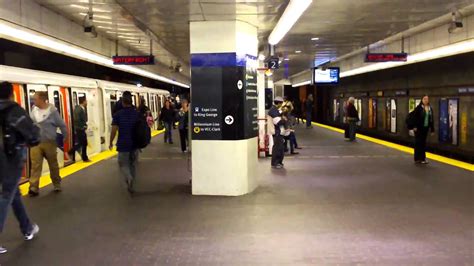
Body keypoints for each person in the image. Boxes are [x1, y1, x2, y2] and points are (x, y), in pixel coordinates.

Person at [0, 82, 41, 254]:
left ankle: (27, 228)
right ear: (12, 94)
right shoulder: (14, 111)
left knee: (13, 192)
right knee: (7, 194)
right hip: (10, 158)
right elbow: (33, 136)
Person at [29, 91, 67, 196]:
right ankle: (33, 187)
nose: (33, 101)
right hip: (36, 142)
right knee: (35, 165)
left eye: (35, 99)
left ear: (42, 99)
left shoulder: (52, 111)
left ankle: (56, 183)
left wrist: (65, 136)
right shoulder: (33, 110)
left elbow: (62, 124)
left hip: (49, 142)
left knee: (53, 164)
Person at [109, 95, 139, 194]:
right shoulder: (136, 114)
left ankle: (128, 177)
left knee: (123, 163)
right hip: (134, 143)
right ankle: (132, 184)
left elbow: (114, 130)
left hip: (123, 144)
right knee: (132, 164)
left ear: (123, 103)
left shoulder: (118, 115)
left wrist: (110, 142)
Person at [412, 95, 434, 164]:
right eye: (424, 99)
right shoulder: (418, 108)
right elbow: (414, 117)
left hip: (425, 128)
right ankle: (417, 158)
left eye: (427, 99)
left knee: (423, 143)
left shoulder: (430, 108)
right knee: (418, 143)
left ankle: (422, 158)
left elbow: (431, 119)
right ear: (422, 100)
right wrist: (414, 126)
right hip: (418, 128)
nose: (426, 100)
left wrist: (432, 129)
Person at [69, 97, 90, 162]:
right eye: (86, 101)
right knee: (83, 143)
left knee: (83, 143)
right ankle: (71, 152)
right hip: (79, 129)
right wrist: (82, 126)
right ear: (83, 101)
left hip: (80, 129)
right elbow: (76, 119)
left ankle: (84, 157)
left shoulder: (80, 108)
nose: (87, 102)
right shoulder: (78, 109)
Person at [269, 97, 286, 169]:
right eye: (281, 103)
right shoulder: (273, 111)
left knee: (280, 147)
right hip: (276, 132)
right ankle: (275, 163)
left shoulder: (275, 110)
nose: (281, 105)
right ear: (278, 103)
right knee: (277, 148)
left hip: (279, 131)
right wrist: (283, 119)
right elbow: (278, 122)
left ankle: (278, 162)